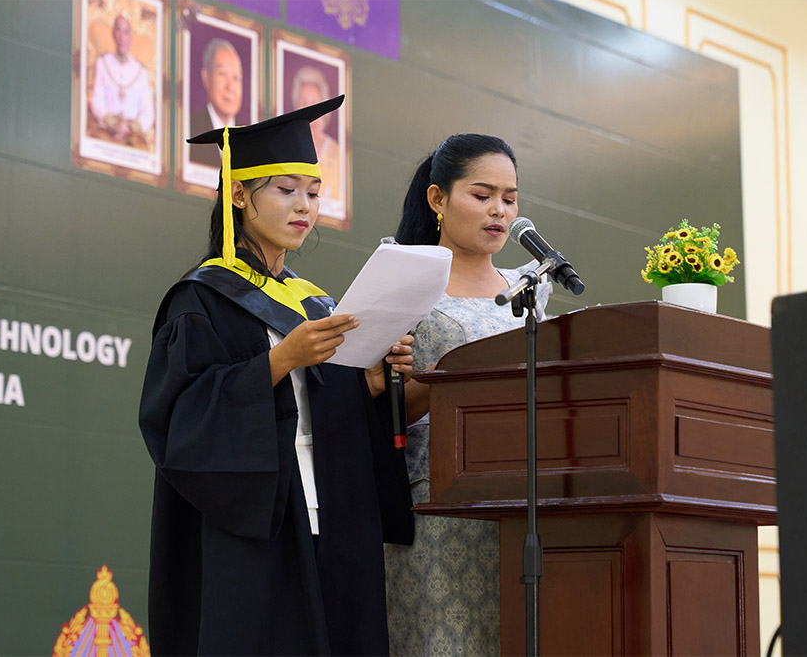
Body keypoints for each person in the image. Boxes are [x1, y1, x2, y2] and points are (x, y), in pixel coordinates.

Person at [138, 94, 415, 656]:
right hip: (259, 522)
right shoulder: (201, 300)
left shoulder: (314, 302)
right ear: (240, 194)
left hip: (333, 517)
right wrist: (279, 360)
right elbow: (179, 419)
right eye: (286, 190)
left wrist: (370, 383)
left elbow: (326, 411)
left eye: (313, 192)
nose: (303, 207)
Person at [384, 134, 551, 656]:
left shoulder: (530, 286)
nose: (499, 210)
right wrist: (447, 379)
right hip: (438, 499)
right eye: (482, 196)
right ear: (438, 199)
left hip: (523, 494)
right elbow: (377, 405)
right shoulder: (401, 277)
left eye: (509, 198)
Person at [89, 13, 155, 146]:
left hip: (132, 137)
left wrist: (130, 127)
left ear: (131, 36)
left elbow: (148, 112)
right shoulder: (103, 62)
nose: (122, 37)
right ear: (113, 34)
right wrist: (113, 123)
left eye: (126, 32)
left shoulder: (141, 71)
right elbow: (96, 100)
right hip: (106, 131)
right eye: (118, 30)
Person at [189, 38, 243, 168]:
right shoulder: (190, 127)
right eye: (222, 74)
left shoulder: (249, 139)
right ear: (206, 77)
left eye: (236, 78)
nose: (230, 87)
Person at [291, 66, 340, 204]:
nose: (310, 111)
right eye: (304, 103)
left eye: (315, 103)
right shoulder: (287, 150)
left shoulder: (339, 155)